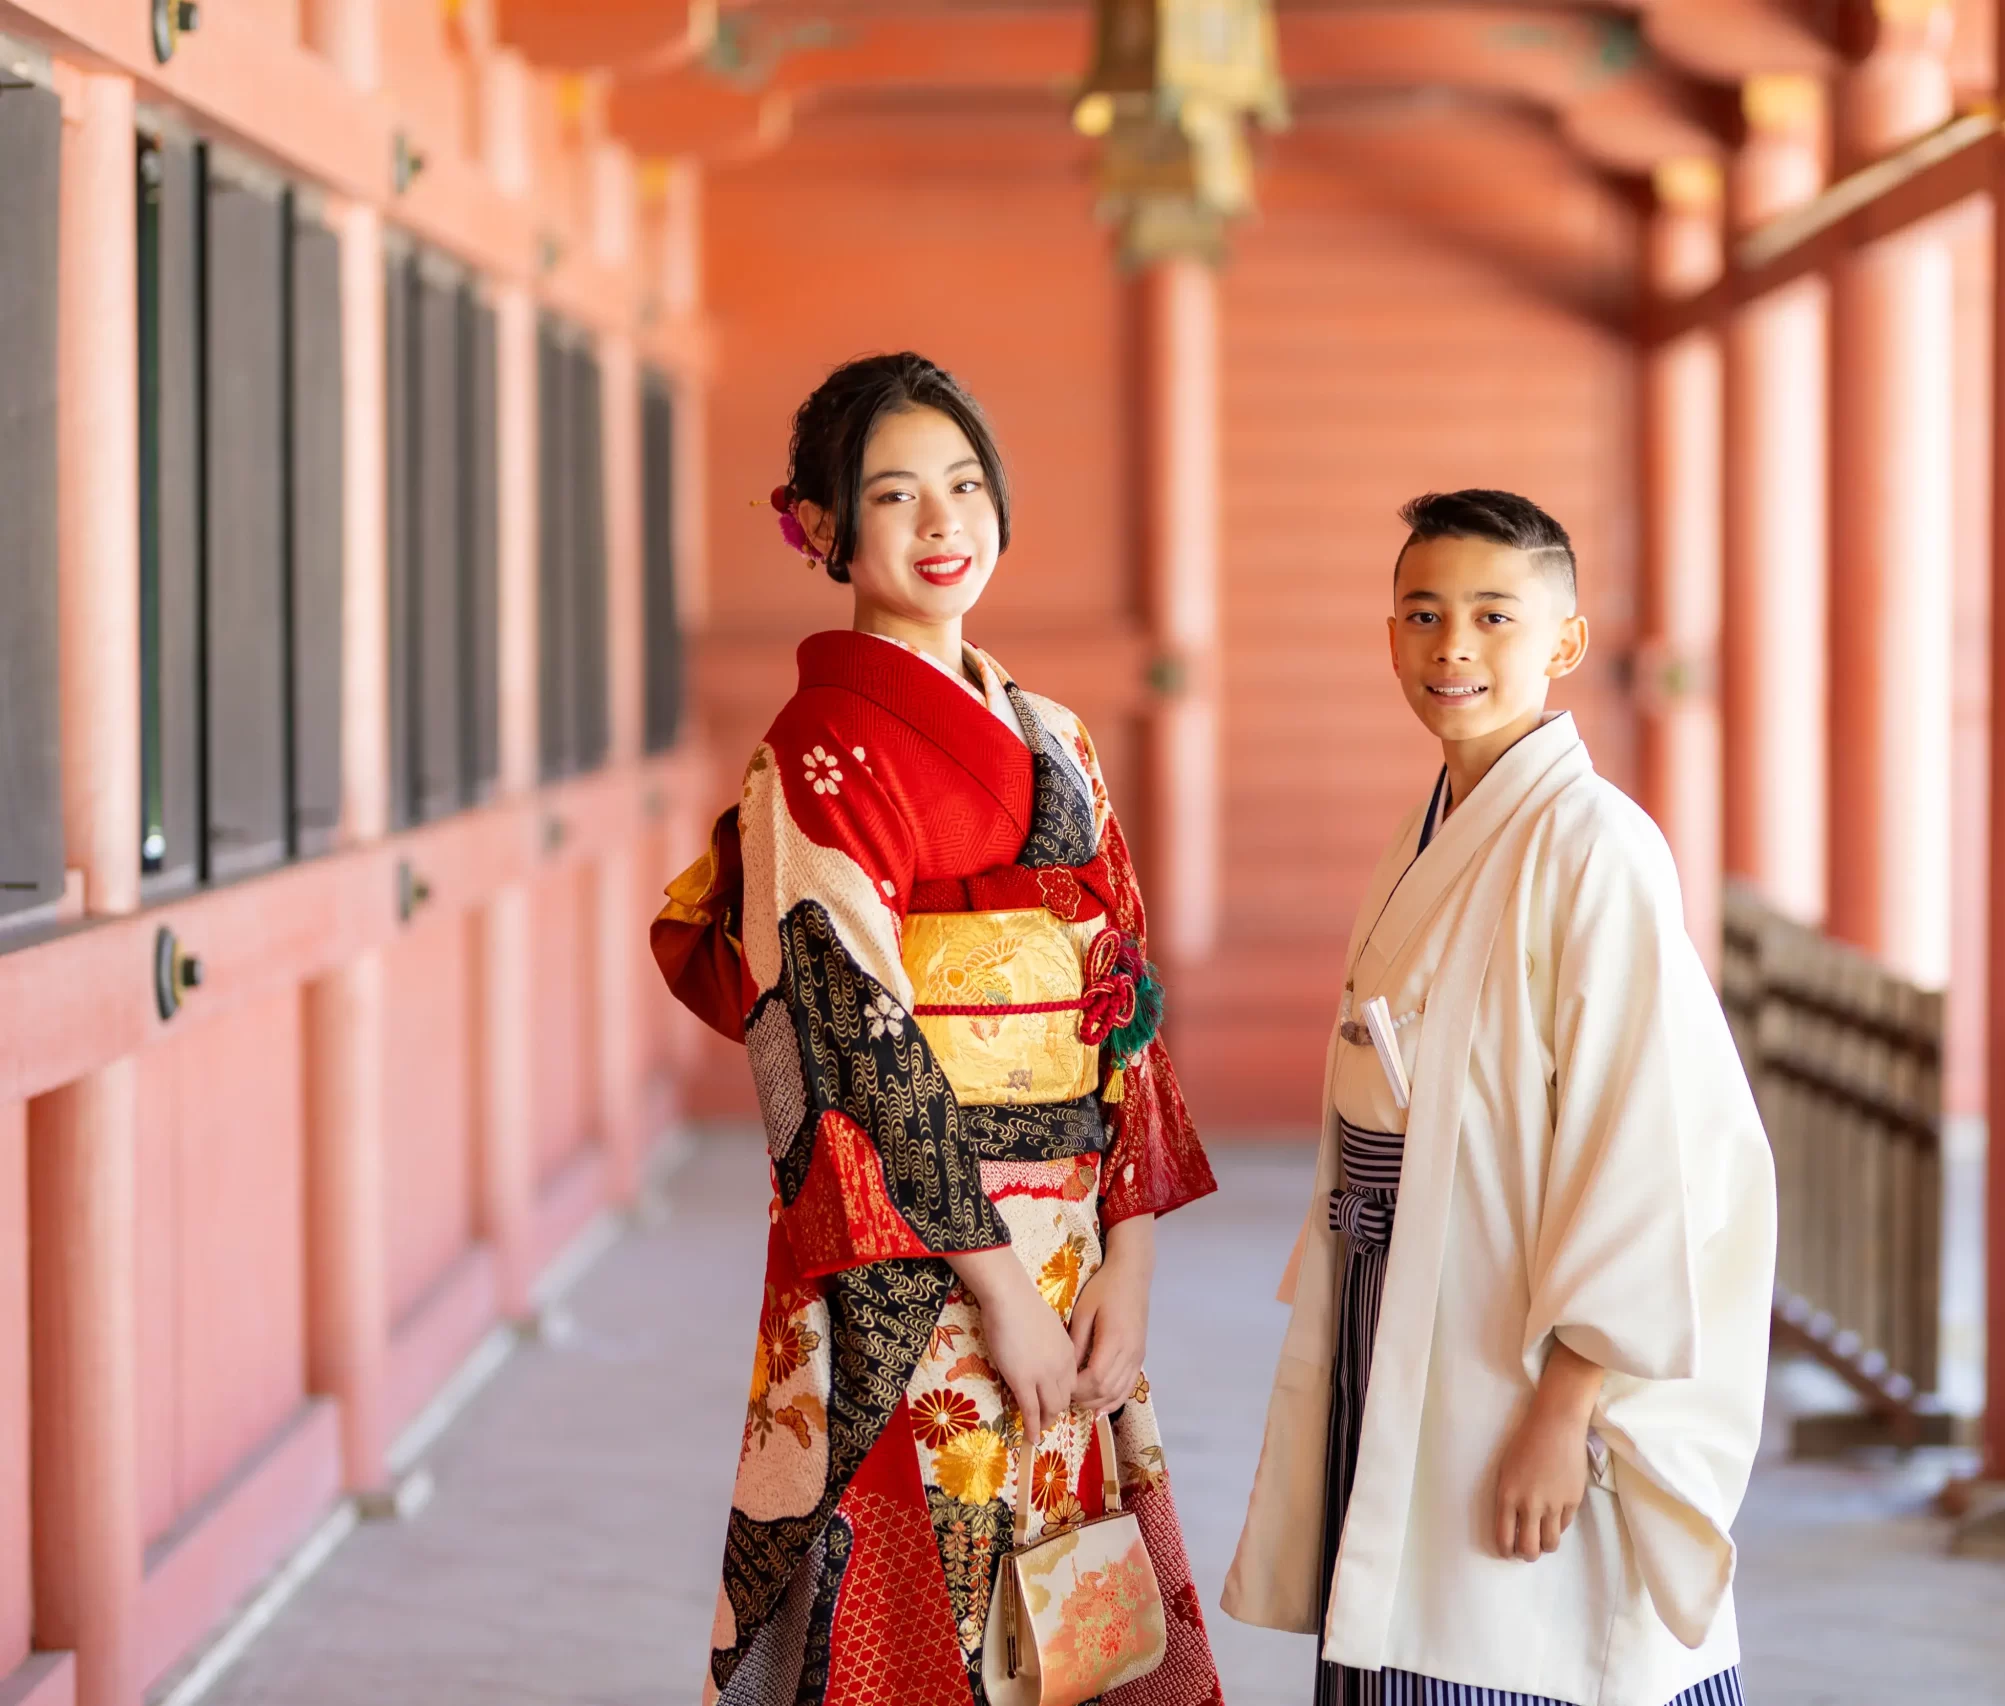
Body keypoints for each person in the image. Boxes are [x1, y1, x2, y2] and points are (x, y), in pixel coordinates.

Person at [652, 352, 1225, 1706]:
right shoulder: (817, 752)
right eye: (893, 494)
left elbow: (1122, 993)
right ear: (823, 528)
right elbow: (850, 1038)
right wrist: (1002, 1293)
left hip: (1073, 1240)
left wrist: (1128, 1258)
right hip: (918, 1256)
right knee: (925, 1593)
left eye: (965, 485)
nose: (941, 522)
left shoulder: (1057, 735)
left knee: (1069, 1598)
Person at [1221, 490, 1776, 1706]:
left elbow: (1644, 1143)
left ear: (1564, 641)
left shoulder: (1596, 844)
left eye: (1491, 615)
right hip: (1397, 1288)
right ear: (1389, 638)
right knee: (1401, 1605)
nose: (1453, 646)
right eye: (1424, 614)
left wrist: (1565, 1407)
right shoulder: (1433, 826)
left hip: (1518, 1331)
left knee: (1517, 1622)